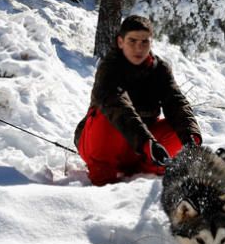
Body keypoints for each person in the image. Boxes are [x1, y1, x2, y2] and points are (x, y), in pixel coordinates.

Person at [74, 15, 202, 186]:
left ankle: (147, 170)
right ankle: (104, 181)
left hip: (144, 147)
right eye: (132, 41)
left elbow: (176, 103)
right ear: (120, 42)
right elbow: (118, 105)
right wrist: (146, 143)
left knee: (181, 129)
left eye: (144, 42)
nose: (139, 48)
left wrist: (190, 140)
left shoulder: (160, 69)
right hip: (104, 143)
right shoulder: (110, 67)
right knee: (107, 117)